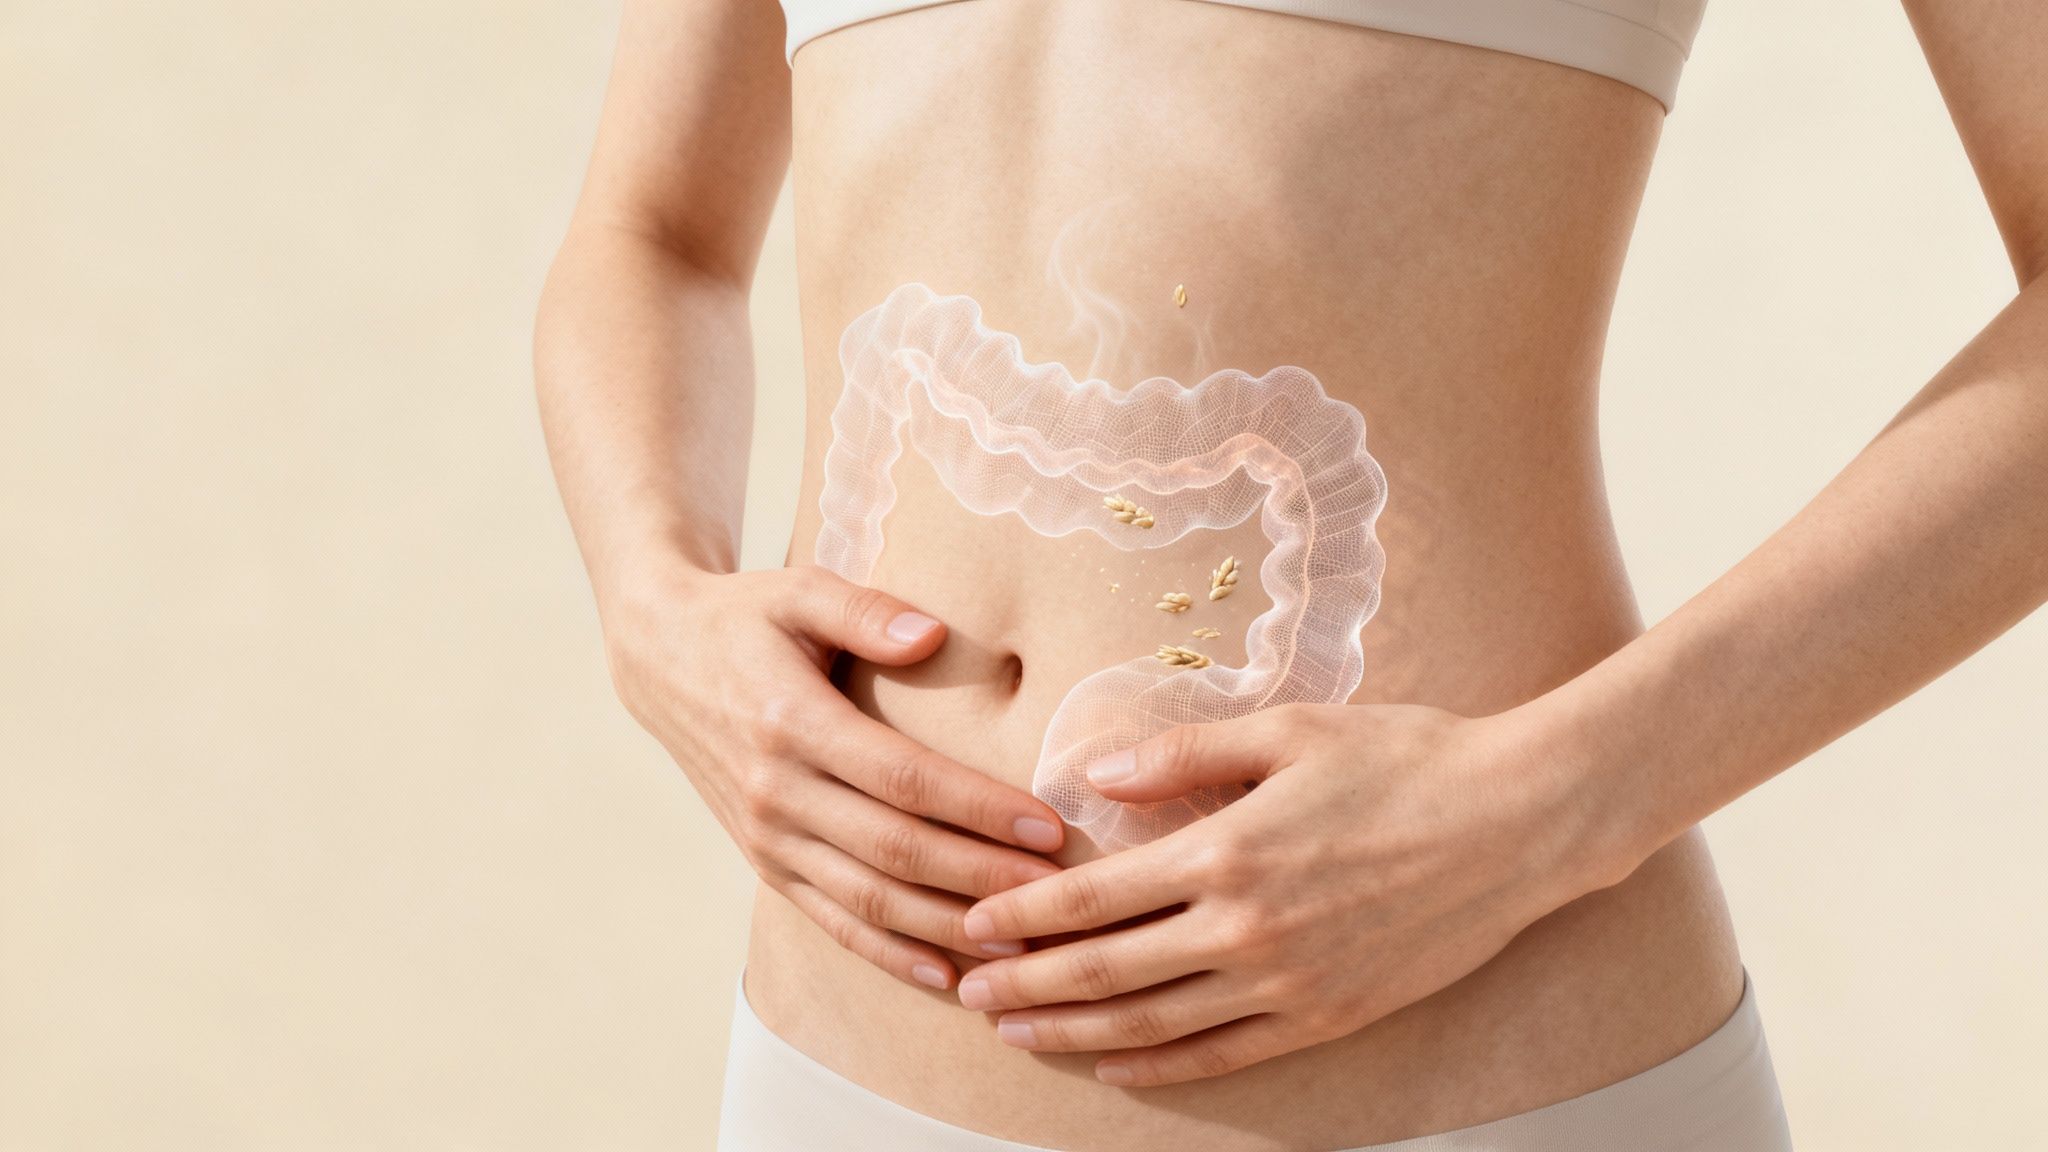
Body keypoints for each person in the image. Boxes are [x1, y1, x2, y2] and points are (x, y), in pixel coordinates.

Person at [531, 1, 2048, 1148]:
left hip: (1477, 1077)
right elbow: (650, 229)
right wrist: (653, 601)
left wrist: (1557, 807)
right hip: (844, 1074)